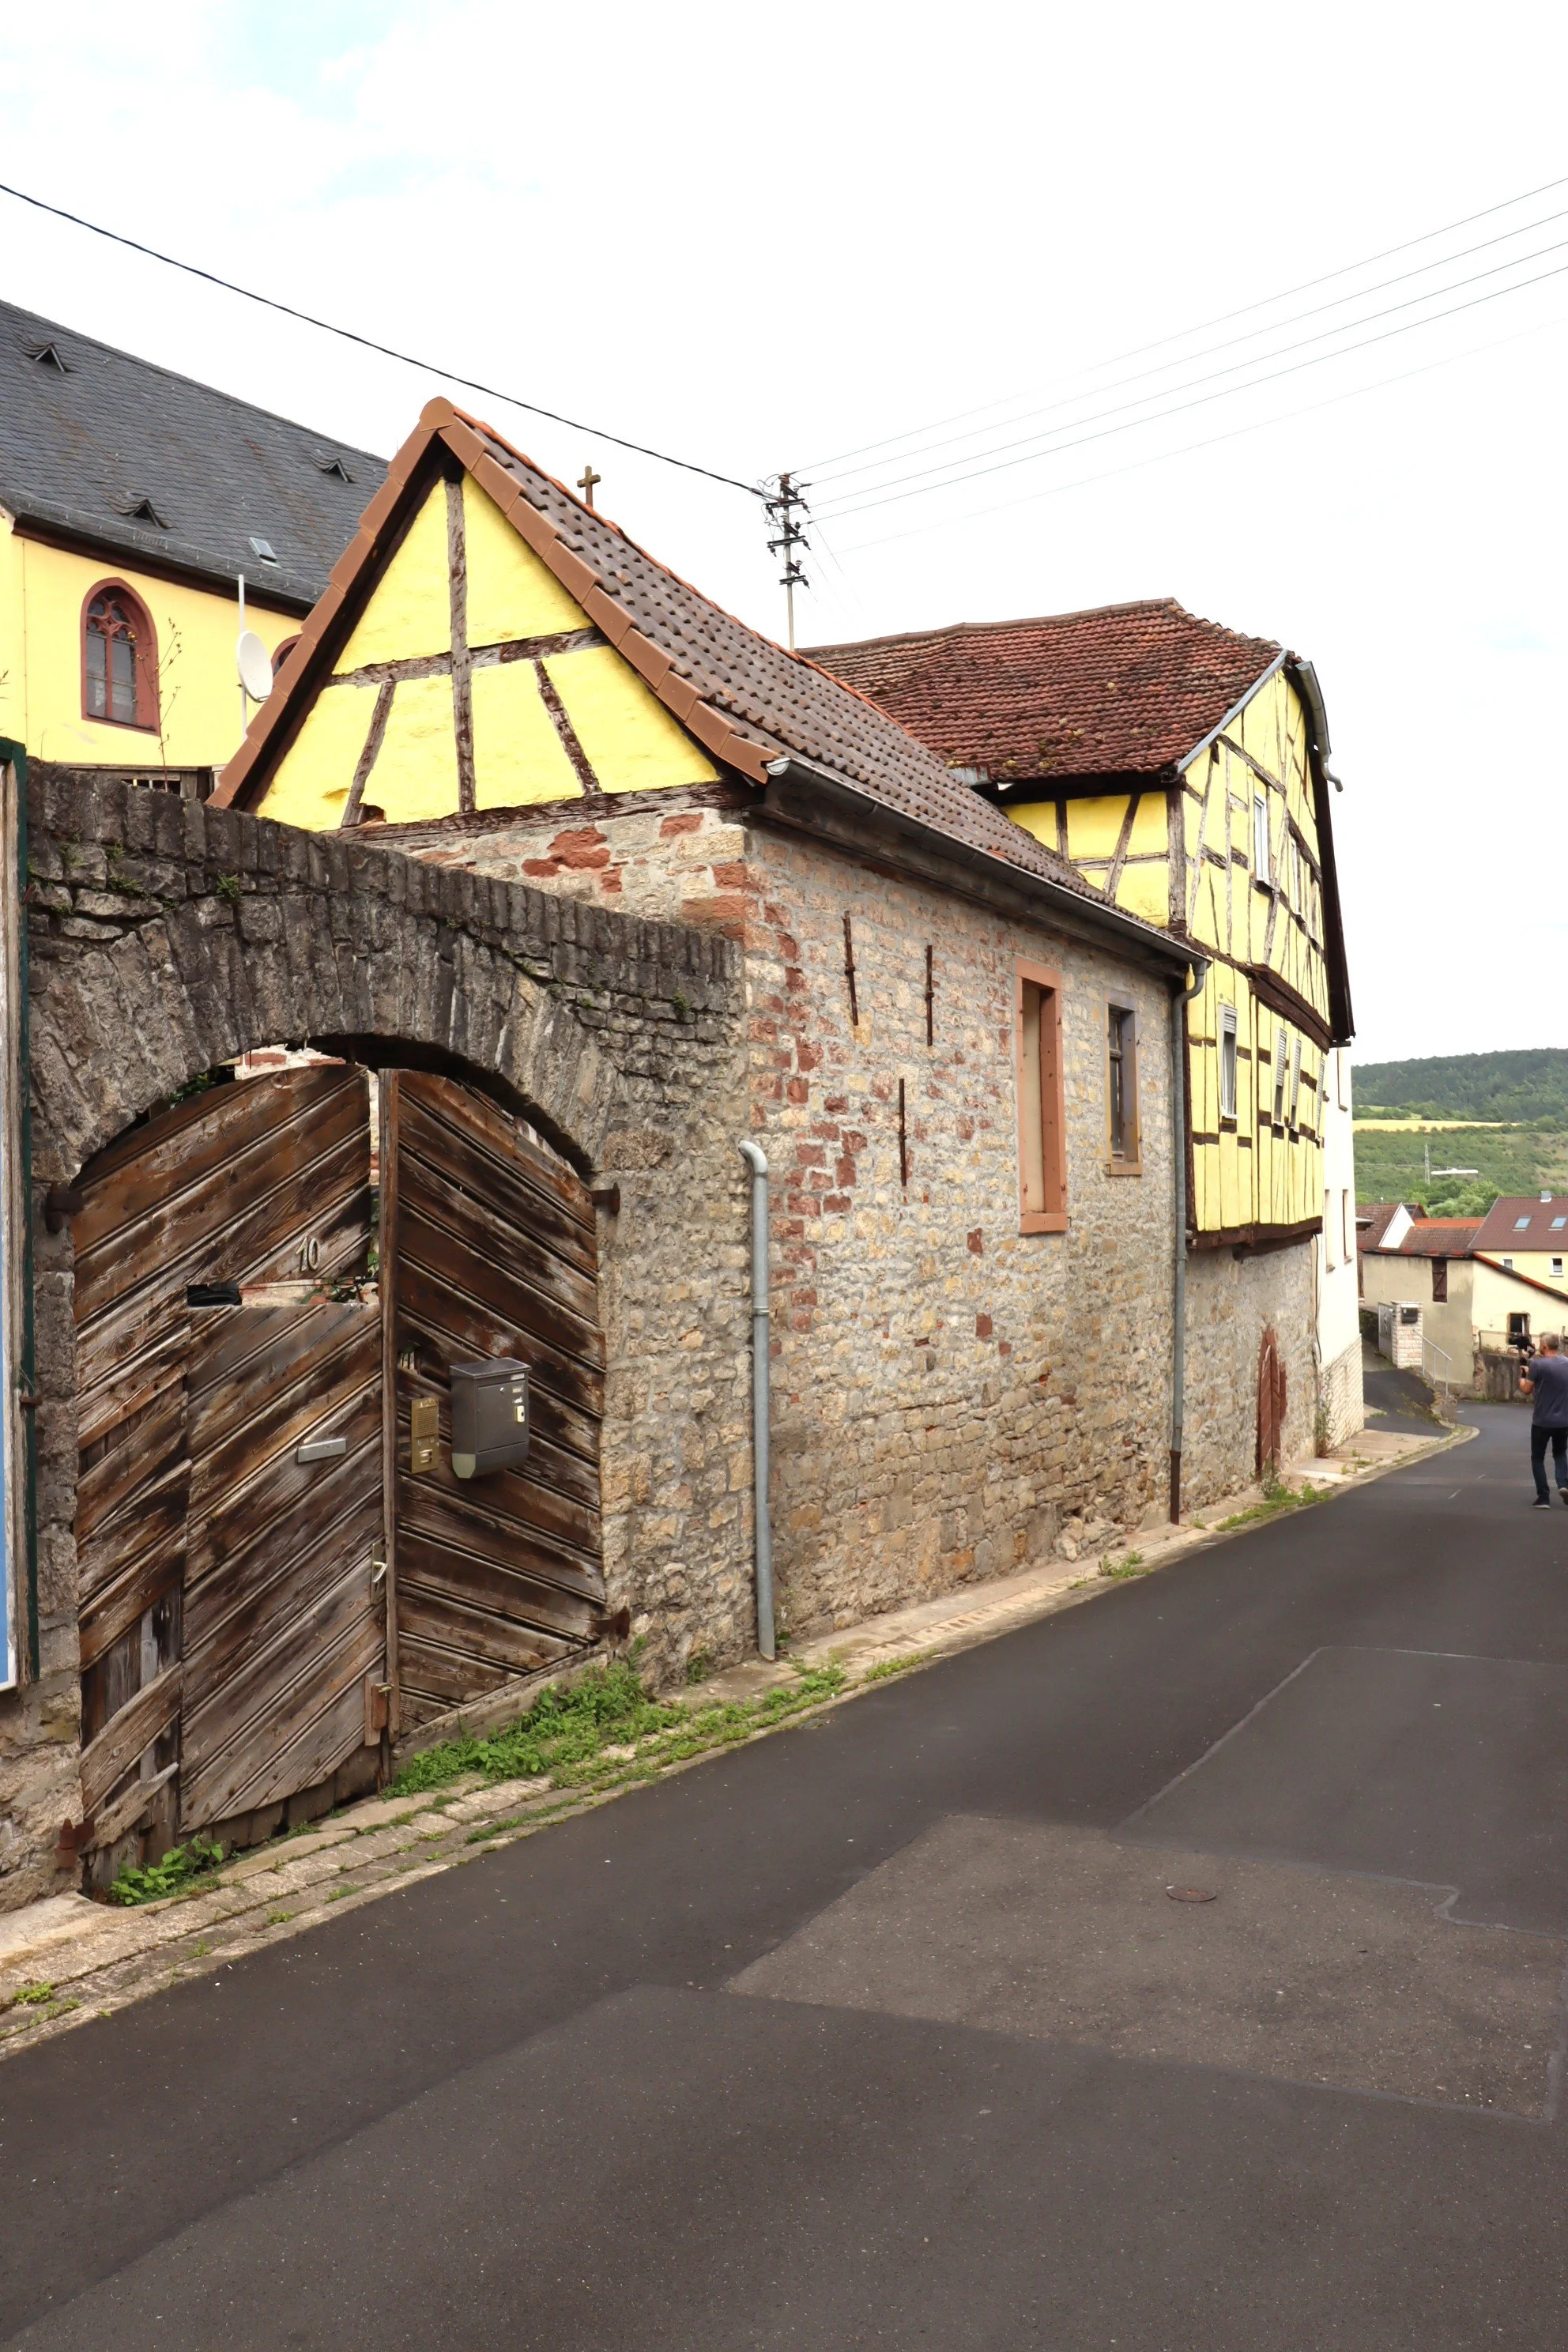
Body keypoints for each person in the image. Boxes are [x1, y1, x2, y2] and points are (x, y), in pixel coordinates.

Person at [1521, 1333, 1568, 1506]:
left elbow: (1526, 1389)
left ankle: (1543, 1497)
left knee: (1538, 1458)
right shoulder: (1567, 1363)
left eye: (1541, 1344)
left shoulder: (1537, 1365)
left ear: (1545, 1346)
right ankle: (1564, 1485)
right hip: (1563, 1421)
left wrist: (1522, 1377)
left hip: (1541, 1421)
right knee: (1560, 1453)